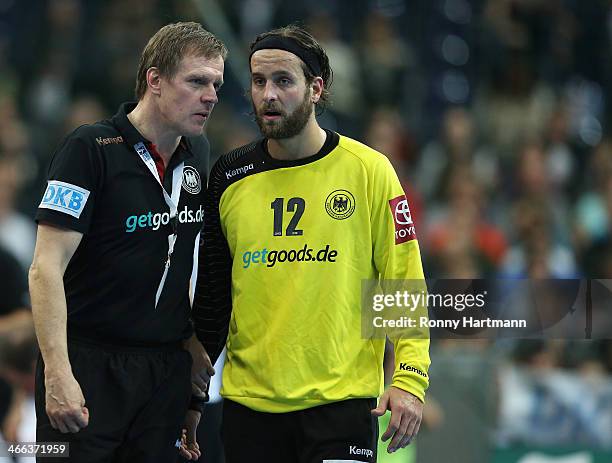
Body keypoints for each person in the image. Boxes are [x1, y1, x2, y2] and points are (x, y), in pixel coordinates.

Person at [193, 24, 430, 462]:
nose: (268, 95)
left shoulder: (370, 171)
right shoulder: (228, 177)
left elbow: (402, 285)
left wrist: (409, 379)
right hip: (250, 409)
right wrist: (190, 396)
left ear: (316, 88)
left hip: (341, 407)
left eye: (283, 81)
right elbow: (213, 296)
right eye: (259, 81)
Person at [29, 22, 226, 462]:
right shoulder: (89, 148)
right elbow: (45, 268)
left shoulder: (199, 153)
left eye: (216, 84)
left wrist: (190, 337)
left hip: (161, 375)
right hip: (87, 367)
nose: (210, 95)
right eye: (196, 81)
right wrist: (57, 372)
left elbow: (185, 258)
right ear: (154, 81)